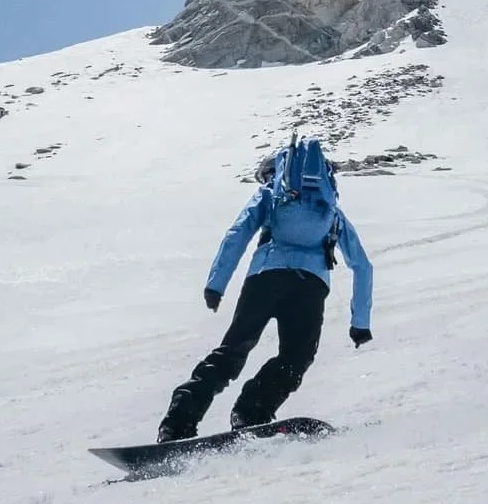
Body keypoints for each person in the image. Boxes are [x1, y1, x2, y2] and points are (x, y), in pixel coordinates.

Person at [158, 136, 373, 442]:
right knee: (296, 357)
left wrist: (215, 285)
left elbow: (238, 233)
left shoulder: (269, 197)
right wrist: (360, 323)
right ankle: (252, 412)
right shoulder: (329, 210)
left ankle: (177, 424)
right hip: (310, 288)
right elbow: (362, 265)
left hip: (265, 279)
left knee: (232, 351)